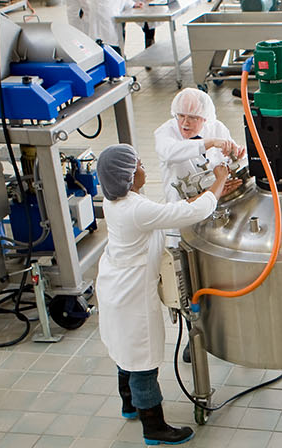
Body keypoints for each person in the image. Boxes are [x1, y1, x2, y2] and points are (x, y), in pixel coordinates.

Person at [94, 143, 228, 445]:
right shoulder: (135, 209)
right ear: (128, 176)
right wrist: (219, 180)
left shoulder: (117, 201)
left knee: (123, 349)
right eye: (138, 166)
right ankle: (153, 426)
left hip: (114, 283)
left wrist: (207, 192)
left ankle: (129, 405)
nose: (144, 168)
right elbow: (192, 212)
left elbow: (169, 212)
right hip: (132, 293)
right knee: (142, 360)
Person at [154, 88, 244, 204]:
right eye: (181, 116)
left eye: (192, 117)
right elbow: (169, 152)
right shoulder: (165, 132)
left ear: (205, 117)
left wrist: (236, 154)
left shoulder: (217, 127)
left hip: (219, 198)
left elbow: (229, 158)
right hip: (183, 206)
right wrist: (210, 143)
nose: (185, 123)